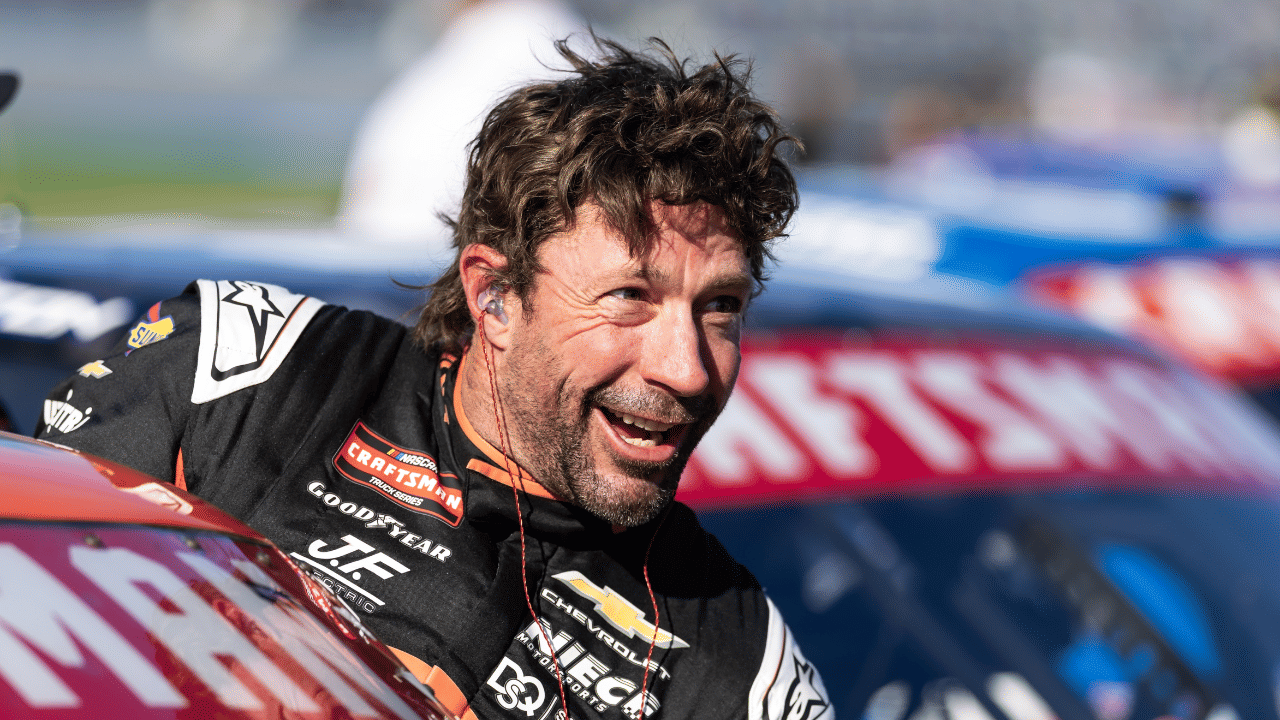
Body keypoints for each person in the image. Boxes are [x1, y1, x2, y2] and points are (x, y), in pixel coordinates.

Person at [36, 38, 833, 720]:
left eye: (720, 307)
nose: (687, 368)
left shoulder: (742, 668)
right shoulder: (249, 369)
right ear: (495, 297)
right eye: (629, 297)